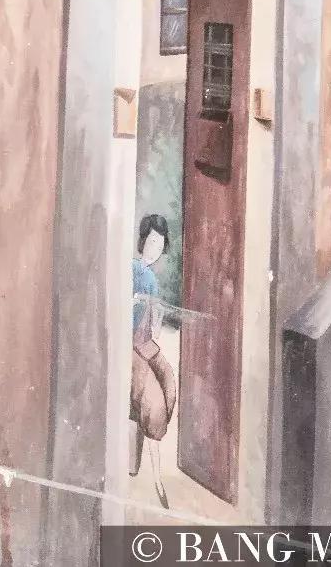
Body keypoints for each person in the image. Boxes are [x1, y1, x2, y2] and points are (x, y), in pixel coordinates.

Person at [130, 214, 177, 509]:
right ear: (142, 241)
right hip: (130, 345)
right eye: (151, 242)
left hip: (146, 343)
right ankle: (157, 478)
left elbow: (155, 322)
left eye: (160, 245)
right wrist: (135, 302)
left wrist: (156, 316)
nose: (155, 249)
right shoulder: (132, 270)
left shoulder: (153, 279)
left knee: (169, 381)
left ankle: (151, 433)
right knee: (154, 401)